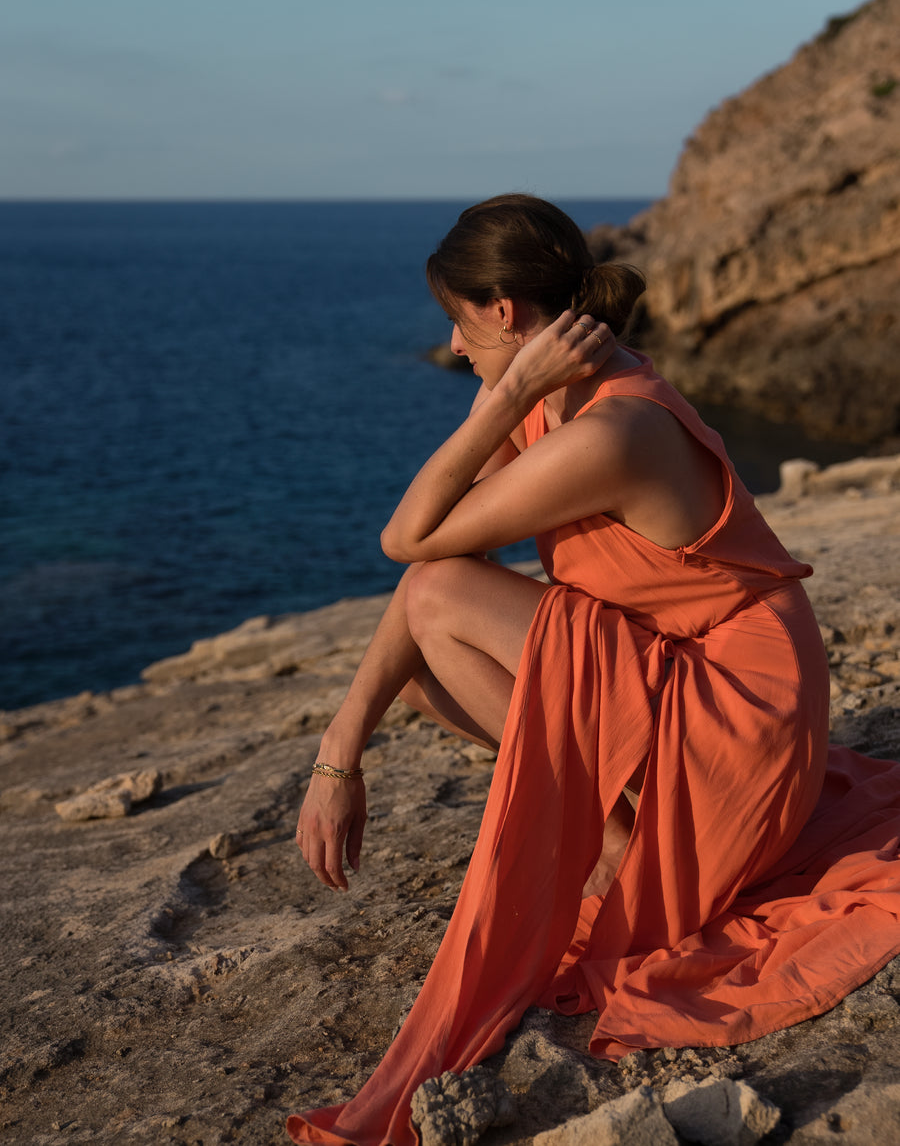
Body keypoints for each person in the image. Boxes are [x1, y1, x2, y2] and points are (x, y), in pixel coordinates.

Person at [288, 195, 900, 1146]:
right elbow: (423, 573)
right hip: (693, 683)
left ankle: (636, 839)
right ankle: (622, 836)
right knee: (416, 659)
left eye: (459, 323)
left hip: (742, 707)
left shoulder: (611, 430)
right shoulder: (563, 403)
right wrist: (345, 742)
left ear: (505, 314)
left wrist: (499, 397)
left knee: (440, 600)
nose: (452, 349)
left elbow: (408, 544)